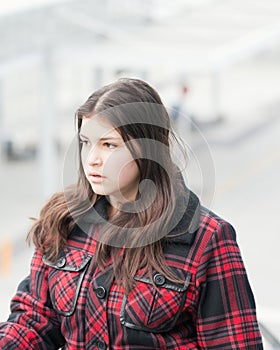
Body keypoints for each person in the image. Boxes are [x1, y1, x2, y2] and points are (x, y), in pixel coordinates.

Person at [0, 78, 263, 349]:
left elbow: (234, 344)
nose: (92, 159)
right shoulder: (64, 221)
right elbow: (34, 321)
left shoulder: (205, 239)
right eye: (86, 142)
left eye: (109, 145)